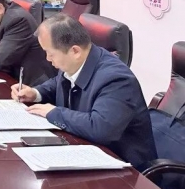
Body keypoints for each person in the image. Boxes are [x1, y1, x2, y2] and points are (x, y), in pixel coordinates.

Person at [12, 14, 156, 169]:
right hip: (84, 150)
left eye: (51, 53)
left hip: (124, 169)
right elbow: (58, 82)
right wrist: (35, 93)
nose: (48, 58)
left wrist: (54, 113)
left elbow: (100, 128)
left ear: (75, 51)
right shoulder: (77, 61)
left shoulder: (117, 80)